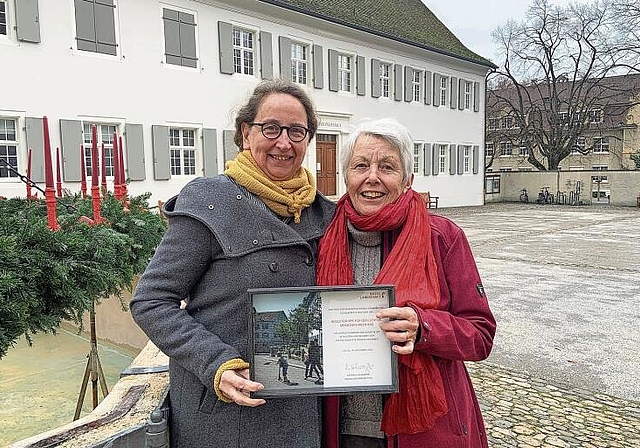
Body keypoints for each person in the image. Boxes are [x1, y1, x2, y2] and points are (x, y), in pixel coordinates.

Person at [130, 78, 335, 448]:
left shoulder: (325, 214)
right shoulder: (210, 202)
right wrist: (216, 364)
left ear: (308, 140)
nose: (284, 143)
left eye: (296, 131)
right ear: (245, 133)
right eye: (270, 128)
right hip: (227, 416)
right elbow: (151, 301)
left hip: (303, 413)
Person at [316, 118, 496, 448]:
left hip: (422, 431)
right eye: (360, 165)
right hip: (341, 429)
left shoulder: (443, 237)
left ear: (407, 179)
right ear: (346, 176)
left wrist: (424, 327)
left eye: (387, 166)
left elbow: (481, 334)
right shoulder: (320, 237)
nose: (372, 177)